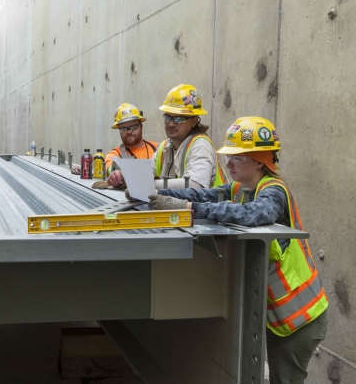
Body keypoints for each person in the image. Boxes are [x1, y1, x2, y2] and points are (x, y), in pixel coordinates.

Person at [148, 116, 328, 384]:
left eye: (236, 158)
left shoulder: (274, 192)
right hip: (281, 314)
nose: (228, 163)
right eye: (228, 157)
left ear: (259, 161)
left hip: (301, 316)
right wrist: (155, 193)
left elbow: (251, 214)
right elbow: (203, 195)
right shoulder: (239, 187)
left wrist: (188, 210)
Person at [151, 84, 227, 189]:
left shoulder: (201, 145)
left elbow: (194, 185)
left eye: (179, 119)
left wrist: (151, 185)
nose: (171, 124)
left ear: (194, 121)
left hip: (208, 205)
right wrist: (123, 178)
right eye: (168, 117)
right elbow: (145, 175)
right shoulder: (165, 147)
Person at [105, 103, 158, 188]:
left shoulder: (158, 148)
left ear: (141, 126)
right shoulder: (115, 154)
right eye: (123, 129)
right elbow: (111, 169)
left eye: (133, 127)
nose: (129, 132)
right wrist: (116, 174)